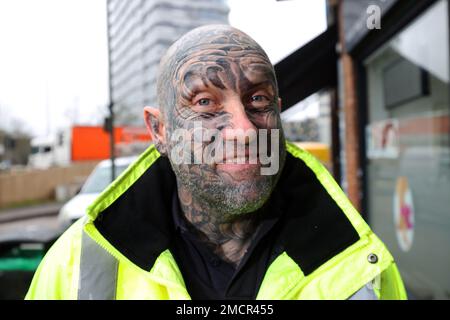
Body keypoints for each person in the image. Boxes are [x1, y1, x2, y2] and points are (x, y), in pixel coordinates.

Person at [26, 25, 406, 300]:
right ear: (159, 130)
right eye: (205, 103)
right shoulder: (75, 264)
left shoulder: (361, 266)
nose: (243, 130)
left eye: (257, 99)